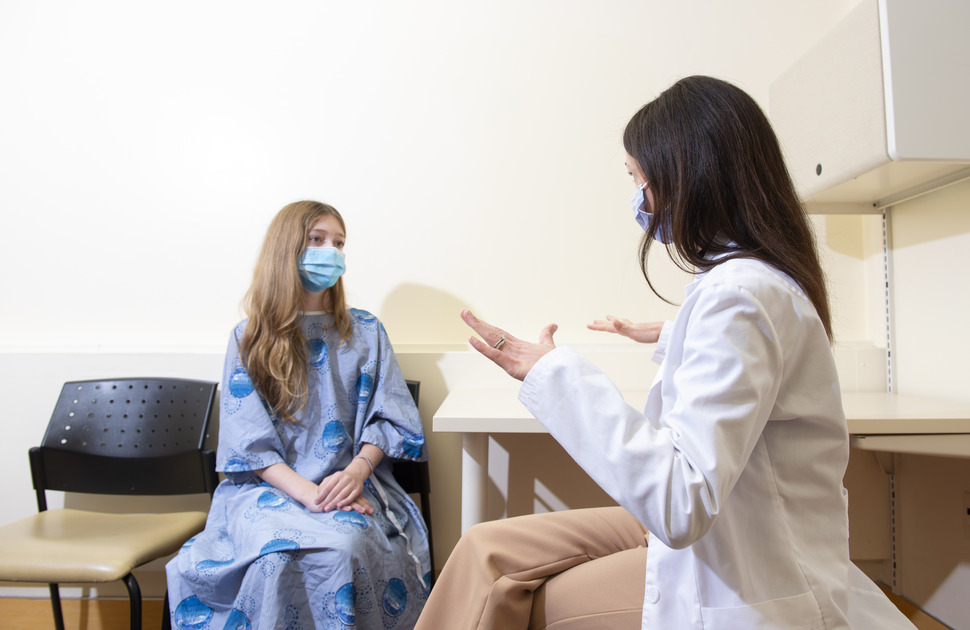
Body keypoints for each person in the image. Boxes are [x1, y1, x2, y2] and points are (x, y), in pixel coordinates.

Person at [414, 76, 915, 629]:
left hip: (746, 577)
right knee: (488, 550)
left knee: (510, 598)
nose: (639, 200)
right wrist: (673, 332)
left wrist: (552, 374)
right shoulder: (745, 284)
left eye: (640, 179)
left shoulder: (739, 296)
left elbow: (681, 502)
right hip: (723, 535)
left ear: (690, 177)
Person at [166, 200, 431, 630]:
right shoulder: (249, 339)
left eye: (339, 243)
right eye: (317, 239)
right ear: (287, 248)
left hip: (352, 487)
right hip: (266, 492)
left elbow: (392, 419)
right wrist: (308, 495)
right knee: (272, 554)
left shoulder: (366, 332)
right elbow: (248, 443)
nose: (332, 251)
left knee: (344, 545)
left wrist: (355, 473)